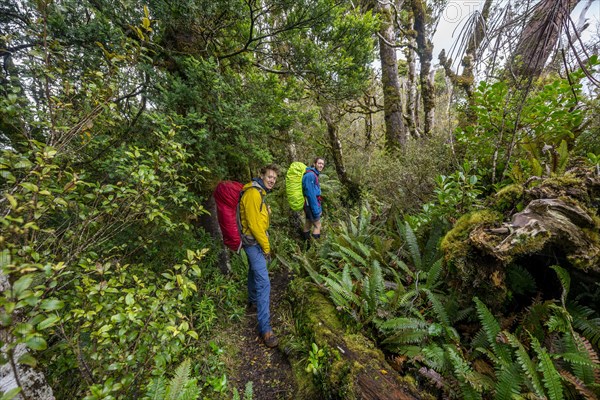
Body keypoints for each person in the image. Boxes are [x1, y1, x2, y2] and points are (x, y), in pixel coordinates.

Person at [239, 164, 280, 348]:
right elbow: (255, 226)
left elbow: (258, 218)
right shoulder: (254, 193)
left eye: (274, 178)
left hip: (254, 241)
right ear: (261, 175)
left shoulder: (260, 193)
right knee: (264, 282)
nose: (272, 180)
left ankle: (253, 302)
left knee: (253, 272)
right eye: (269, 176)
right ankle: (265, 329)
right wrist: (266, 247)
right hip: (253, 243)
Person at [302, 157, 325, 242]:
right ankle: (314, 248)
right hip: (310, 204)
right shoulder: (310, 175)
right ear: (314, 164)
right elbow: (310, 194)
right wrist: (316, 210)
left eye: (322, 164)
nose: (321, 165)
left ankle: (305, 245)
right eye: (319, 163)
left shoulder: (313, 174)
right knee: (317, 225)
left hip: (308, 204)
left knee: (308, 223)